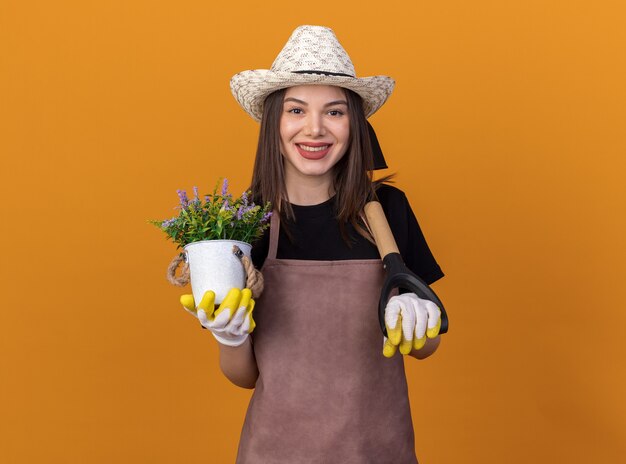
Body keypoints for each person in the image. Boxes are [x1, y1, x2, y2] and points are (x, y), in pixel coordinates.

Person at [180, 25, 445, 463]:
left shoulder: (387, 209)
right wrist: (230, 338)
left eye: (335, 112)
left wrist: (421, 319)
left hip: (377, 451)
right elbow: (245, 377)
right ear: (274, 122)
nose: (315, 129)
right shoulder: (248, 222)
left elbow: (426, 349)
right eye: (296, 110)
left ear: (354, 124)